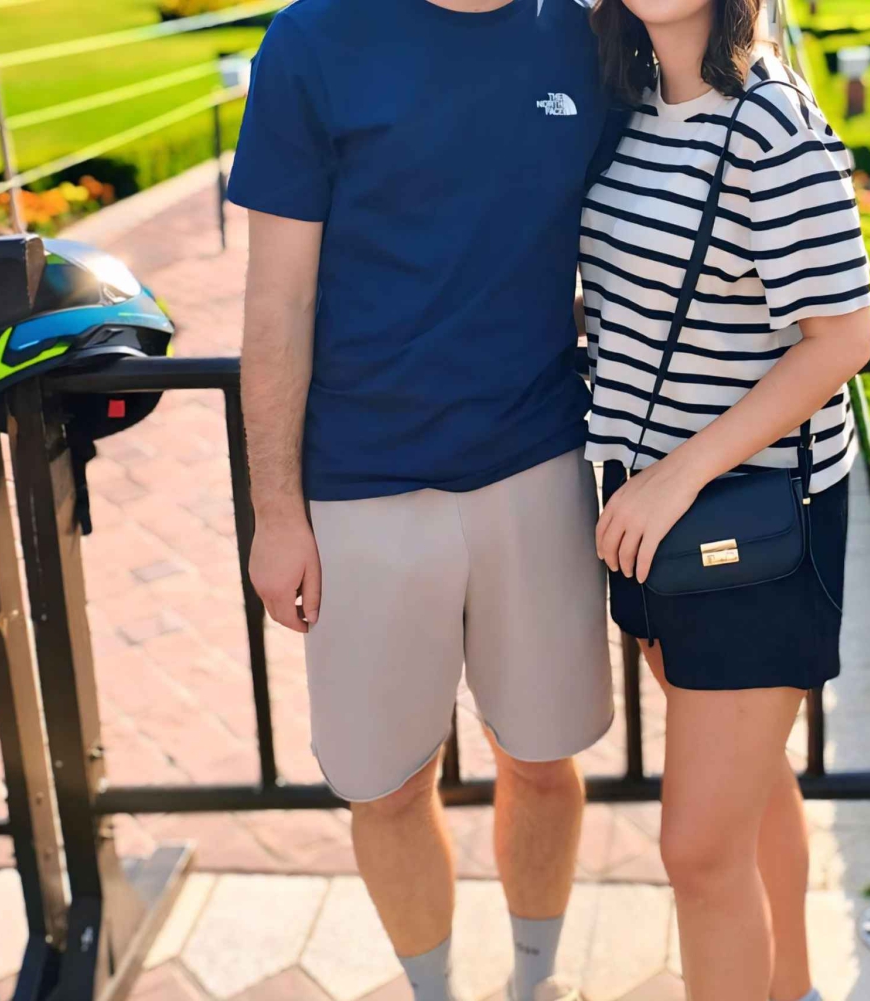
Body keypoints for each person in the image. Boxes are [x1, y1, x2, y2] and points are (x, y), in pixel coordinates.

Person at [225, 1, 619, 999]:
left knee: (542, 760)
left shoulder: (581, 35)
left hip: (538, 469)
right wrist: (277, 513)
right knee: (388, 785)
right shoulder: (313, 40)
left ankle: (534, 982)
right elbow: (276, 303)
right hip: (361, 490)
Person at [582, 0, 870, 998]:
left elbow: (842, 339)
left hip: (754, 523)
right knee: (750, 789)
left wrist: (680, 471)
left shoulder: (770, 120)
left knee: (699, 852)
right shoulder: (630, 101)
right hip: (650, 518)